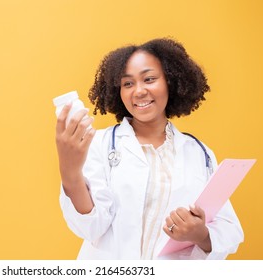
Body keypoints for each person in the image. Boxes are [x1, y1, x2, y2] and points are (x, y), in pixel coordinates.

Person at [55, 38, 244, 260]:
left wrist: (200, 234)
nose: (139, 91)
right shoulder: (99, 144)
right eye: (128, 83)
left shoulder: (199, 153)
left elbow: (230, 230)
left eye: (149, 79)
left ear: (170, 82)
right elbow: (90, 228)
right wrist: (70, 173)